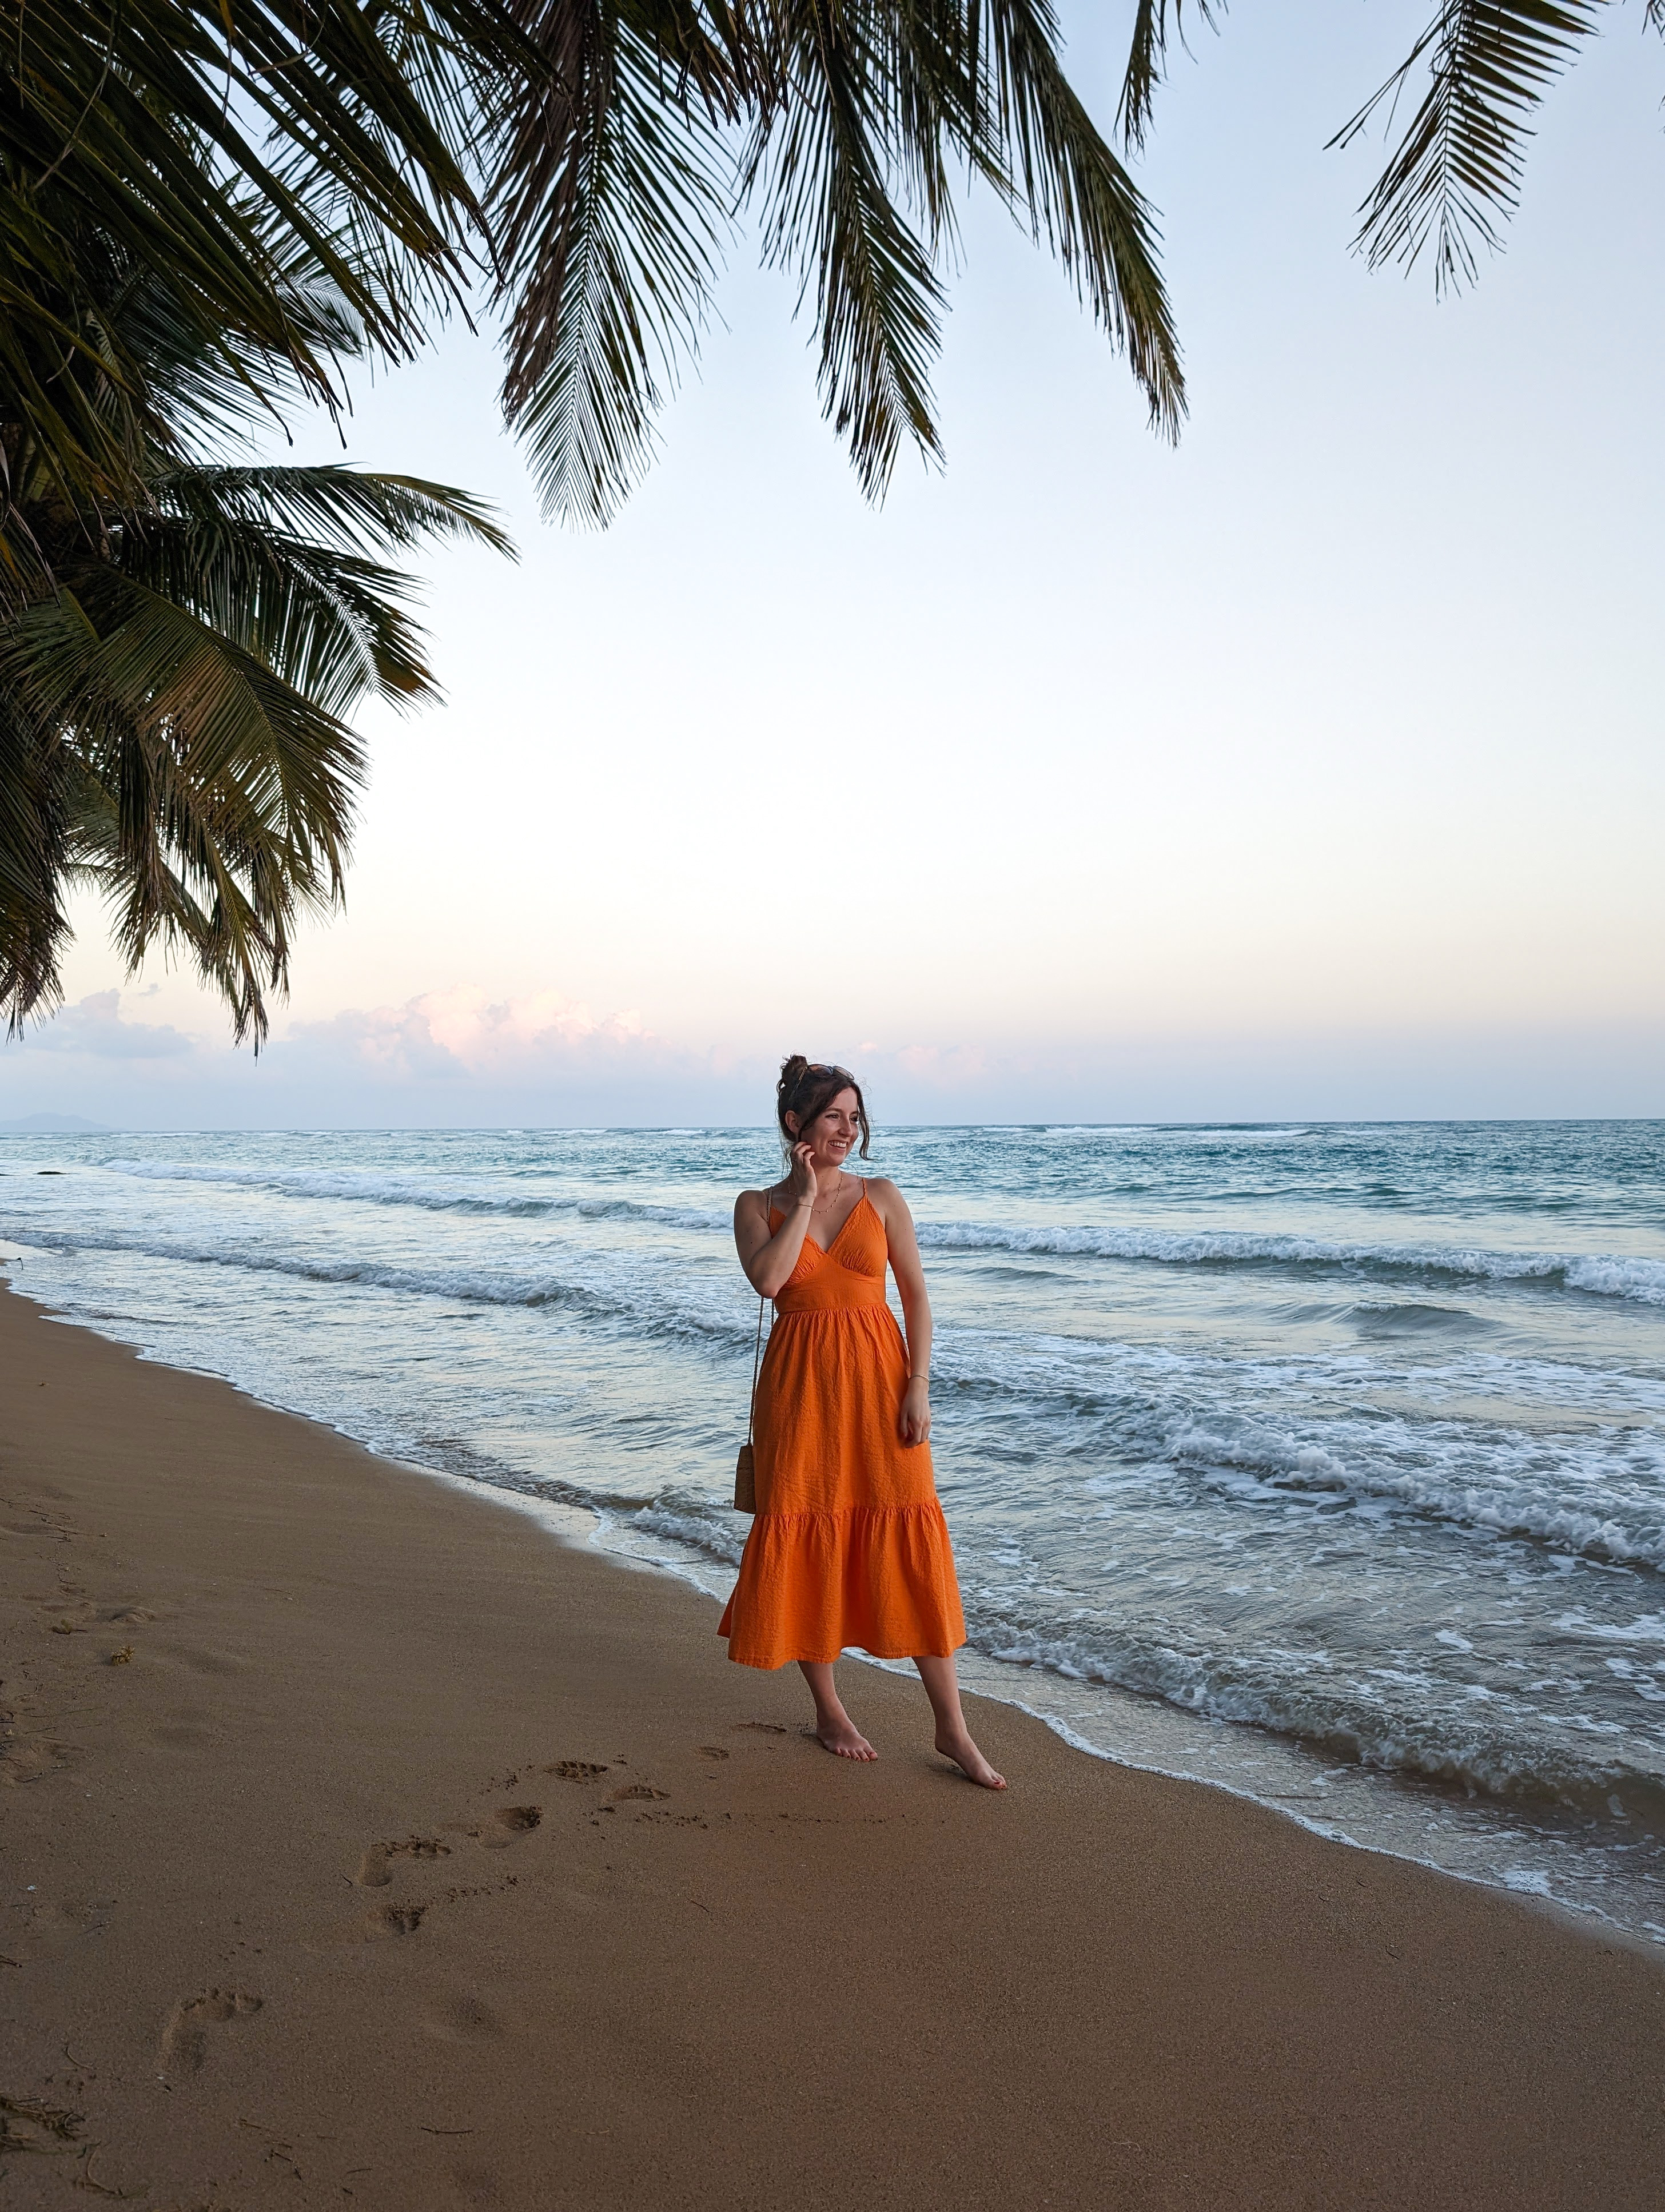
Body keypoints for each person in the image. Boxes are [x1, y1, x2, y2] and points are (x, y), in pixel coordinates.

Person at [718, 1056, 1006, 1790]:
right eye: (832, 1117)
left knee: (907, 1535)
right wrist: (807, 1193)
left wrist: (917, 1384)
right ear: (796, 1125)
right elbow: (770, 1281)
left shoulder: (882, 1197)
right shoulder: (758, 1204)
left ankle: (951, 1726)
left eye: (854, 1116)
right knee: (806, 1528)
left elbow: (915, 1296)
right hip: (799, 1392)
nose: (847, 1130)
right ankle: (829, 1708)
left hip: (882, 1385)